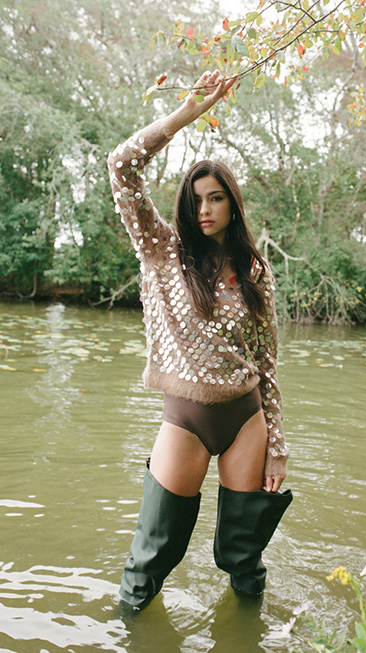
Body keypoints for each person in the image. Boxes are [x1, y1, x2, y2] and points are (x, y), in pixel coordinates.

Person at [108, 70, 292, 610]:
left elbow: (267, 364)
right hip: (185, 419)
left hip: (245, 420)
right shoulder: (161, 251)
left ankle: (247, 635)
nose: (205, 209)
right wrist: (187, 112)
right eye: (196, 200)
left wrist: (277, 447)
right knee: (150, 558)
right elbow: (121, 167)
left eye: (216, 198)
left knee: (243, 557)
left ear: (233, 204)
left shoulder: (255, 272)